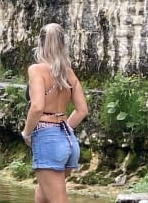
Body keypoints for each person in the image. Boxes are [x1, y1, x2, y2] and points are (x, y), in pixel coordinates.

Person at [19, 23, 89, 203]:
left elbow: (37, 107)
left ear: (40, 44)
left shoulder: (36, 70)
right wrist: (62, 128)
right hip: (69, 141)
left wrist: (27, 133)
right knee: (43, 194)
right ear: (63, 44)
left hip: (47, 140)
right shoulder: (69, 73)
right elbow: (82, 111)